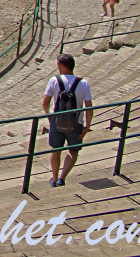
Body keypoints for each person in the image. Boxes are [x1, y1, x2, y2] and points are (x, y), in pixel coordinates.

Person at [42, 53, 92, 187]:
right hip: (76, 123)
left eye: (58, 65)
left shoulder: (54, 80)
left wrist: (50, 118)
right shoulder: (83, 83)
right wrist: (87, 126)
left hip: (57, 122)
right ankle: (62, 178)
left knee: (55, 149)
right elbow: (88, 107)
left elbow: (45, 103)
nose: (57, 67)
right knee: (73, 151)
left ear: (62, 66)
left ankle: (54, 178)